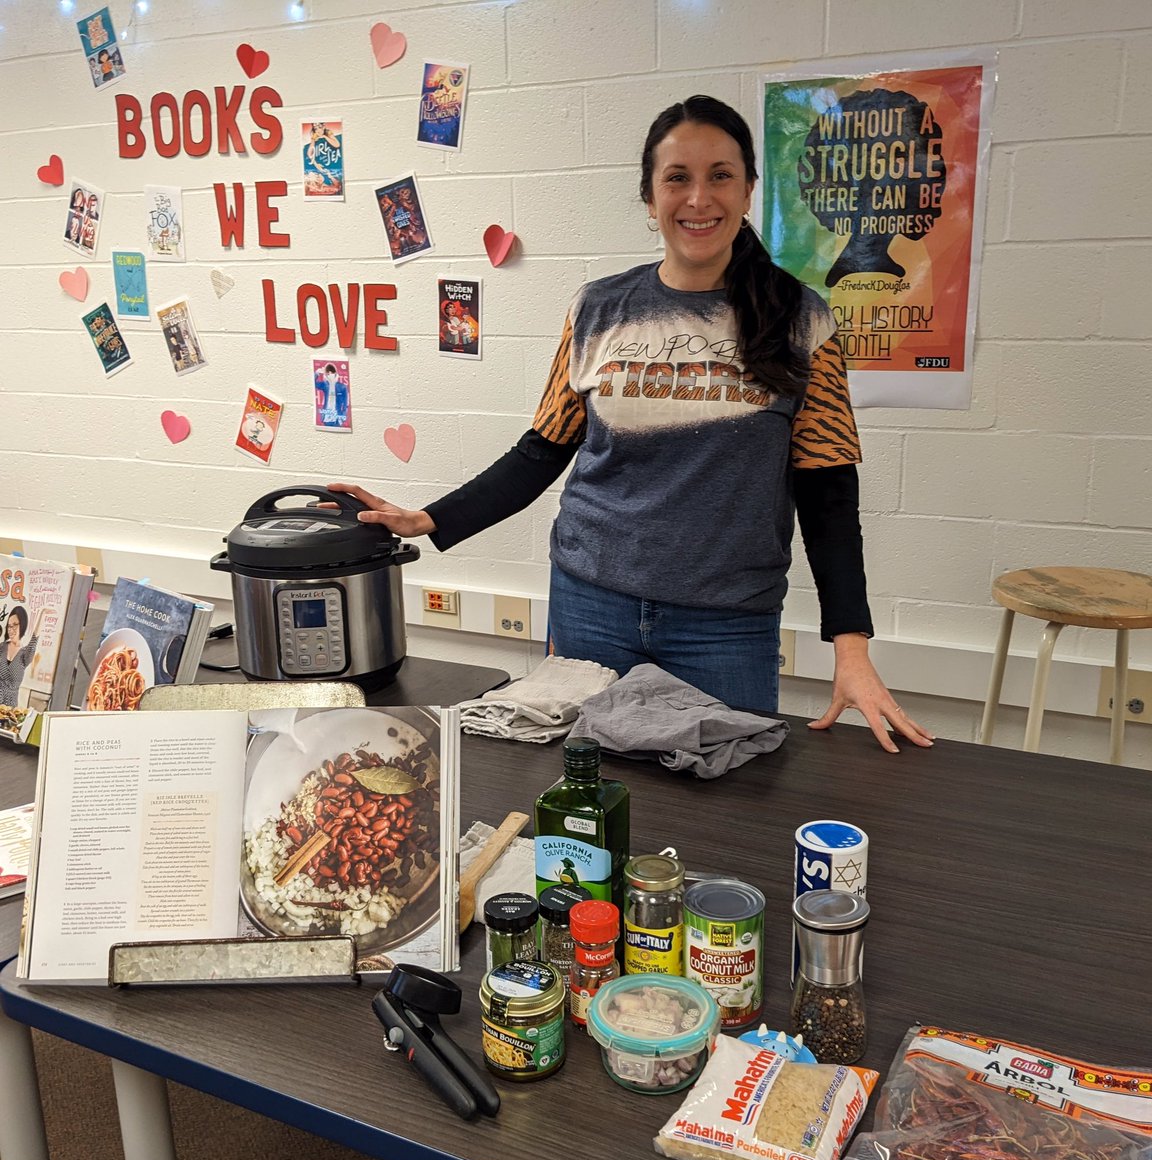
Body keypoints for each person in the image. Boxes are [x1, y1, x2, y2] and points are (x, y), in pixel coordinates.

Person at [330, 96, 932, 753]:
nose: (698, 197)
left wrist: (852, 648)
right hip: (591, 608)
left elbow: (827, 490)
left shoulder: (801, 318)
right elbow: (543, 449)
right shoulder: (598, 308)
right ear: (650, 198)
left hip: (725, 627)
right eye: (677, 178)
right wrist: (432, 519)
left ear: (748, 190)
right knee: (589, 809)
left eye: (720, 175)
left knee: (723, 823)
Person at [0, 605, 45, 708]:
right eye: (9, 625)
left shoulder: (25, 654)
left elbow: (34, 640)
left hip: (10, 709)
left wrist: (42, 614)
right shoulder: (2, 647)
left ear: (23, 625)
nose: (11, 629)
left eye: (15, 624)